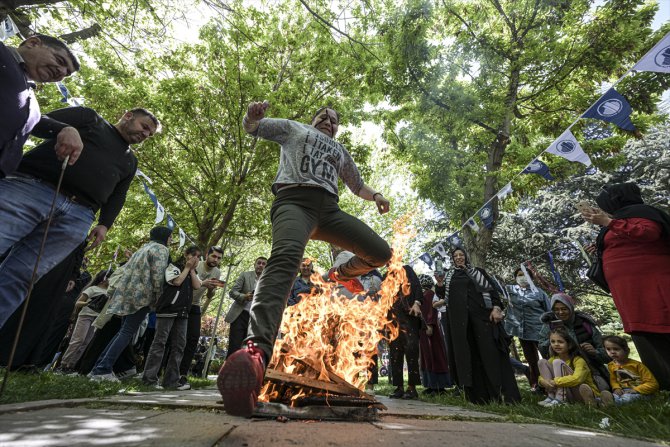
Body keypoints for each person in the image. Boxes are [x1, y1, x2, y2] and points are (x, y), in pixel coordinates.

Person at [217, 101, 392, 417]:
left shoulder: (339, 150)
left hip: (330, 211)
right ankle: (255, 354)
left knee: (380, 253)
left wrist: (376, 195)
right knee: (284, 257)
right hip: (293, 202)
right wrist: (252, 116)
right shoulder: (292, 128)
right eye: (323, 116)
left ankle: (340, 274)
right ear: (312, 119)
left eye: (334, 119)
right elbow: (253, 128)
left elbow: (357, 185)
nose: (328, 121)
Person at [0, 106, 160, 330]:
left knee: (23, 275)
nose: (145, 135)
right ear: (128, 115)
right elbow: (35, 120)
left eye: (150, 135)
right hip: (32, 189)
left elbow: (118, 195)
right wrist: (64, 128)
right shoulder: (91, 118)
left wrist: (105, 224)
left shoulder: (130, 162)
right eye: (144, 127)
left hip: (78, 217)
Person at [581, 182, 670, 390]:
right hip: (629, 292)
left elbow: (648, 233)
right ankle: (661, 382)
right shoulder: (617, 220)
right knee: (647, 335)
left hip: (651, 285)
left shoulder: (643, 212)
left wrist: (608, 222)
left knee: (662, 327)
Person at [88, 226, 172, 382]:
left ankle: (97, 369)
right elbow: (158, 275)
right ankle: (102, 370)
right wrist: (159, 297)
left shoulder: (143, 248)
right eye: (170, 236)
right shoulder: (161, 249)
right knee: (127, 333)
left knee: (123, 332)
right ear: (165, 236)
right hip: (142, 297)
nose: (171, 240)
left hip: (126, 295)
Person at [441, 248, 520, 404]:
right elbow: (447, 299)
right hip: (460, 324)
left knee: (491, 355)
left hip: (483, 319)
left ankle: (503, 395)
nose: (459, 258)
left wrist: (496, 308)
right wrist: (439, 284)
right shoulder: (450, 276)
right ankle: (478, 397)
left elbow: (492, 292)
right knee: (469, 357)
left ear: (466, 257)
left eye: (461, 255)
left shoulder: (478, 272)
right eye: (455, 256)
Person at [1, 34, 83, 178]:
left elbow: (33, 124)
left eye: (67, 73)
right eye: (60, 60)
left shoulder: (32, 103)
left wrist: (66, 129)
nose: (62, 72)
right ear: (33, 43)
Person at [143, 245, 201, 389]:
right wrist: (186, 268)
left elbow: (197, 285)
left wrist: (192, 270)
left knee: (179, 346)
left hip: (183, 313)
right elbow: (176, 282)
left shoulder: (193, 271)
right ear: (186, 254)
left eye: (199, 257)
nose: (196, 259)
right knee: (160, 343)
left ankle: (171, 381)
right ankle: (149, 379)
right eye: (194, 255)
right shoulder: (173, 266)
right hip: (168, 309)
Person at [538, 293, 610, 390]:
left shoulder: (585, 324)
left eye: (564, 309)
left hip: (590, 369)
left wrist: (595, 352)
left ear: (571, 308)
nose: (560, 312)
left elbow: (608, 356)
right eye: (556, 309)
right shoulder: (549, 326)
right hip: (561, 368)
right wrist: (554, 339)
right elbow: (542, 349)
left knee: (603, 388)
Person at [178, 245, 223, 389]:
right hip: (182, 302)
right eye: (214, 256)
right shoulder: (197, 264)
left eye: (219, 258)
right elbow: (188, 283)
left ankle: (182, 374)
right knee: (177, 339)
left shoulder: (217, 272)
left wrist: (211, 290)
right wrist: (204, 283)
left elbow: (209, 295)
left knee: (193, 338)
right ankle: (165, 371)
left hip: (195, 305)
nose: (215, 260)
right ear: (207, 255)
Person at [504, 268, 550, 392]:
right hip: (522, 332)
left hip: (539, 331)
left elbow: (549, 311)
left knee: (547, 358)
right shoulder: (511, 291)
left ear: (531, 278)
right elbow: (495, 286)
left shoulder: (539, 293)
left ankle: (553, 384)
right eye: (519, 275)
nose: (522, 277)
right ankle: (536, 385)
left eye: (525, 275)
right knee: (531, 360)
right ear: (515, 278)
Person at [57, 269, 111, 373]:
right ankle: (63, 365)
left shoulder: (109, 292)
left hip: (97, 319)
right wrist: (89, 303)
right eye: (110, 277)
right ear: (104, 278)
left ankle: (71, 366)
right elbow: (77, 303)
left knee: (86, 343)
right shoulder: (92, 289)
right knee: (78, 340)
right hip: (85, 316)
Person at [537, 326, 602, 406]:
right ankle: (551, 397)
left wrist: (555, 382)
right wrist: (543, 382)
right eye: (553, 342)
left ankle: (560, 399)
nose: (556, 344)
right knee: (542, 362)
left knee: (557, 363)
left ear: (570, 344)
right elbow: (542, 376)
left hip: (582, 393)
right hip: (568, 394)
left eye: (560, 342)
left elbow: (577, 379)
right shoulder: (553, 359)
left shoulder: (578, 360)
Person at [387, 265, 423, 399]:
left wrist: (417, 303)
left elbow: (418, 288)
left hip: (409, 318)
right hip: (392, 321)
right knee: (395, 353)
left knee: (411, 351)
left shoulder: (407, 269)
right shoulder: (386, 276)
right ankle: (399, 387)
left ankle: (412, 388)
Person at [224, 257, 267, 358]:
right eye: (259, 263)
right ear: (255, 264)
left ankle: (242, 372)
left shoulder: (268, 281)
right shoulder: (245, 275)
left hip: (255, 319)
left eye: (264, 264)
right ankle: (228, 372)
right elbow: (232, 292)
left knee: (248, 348)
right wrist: (244, 296)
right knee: (234, 346)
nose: (261, 265)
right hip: (240, 315)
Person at [417, 274, 451, 395]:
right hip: (423, 329)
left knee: (434, 354)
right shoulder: (422, 296)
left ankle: (439, 386)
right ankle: (431, 385)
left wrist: (429, 325)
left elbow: (431, 311)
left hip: (430, 329)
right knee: (427, 357)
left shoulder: (429, 295)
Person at [601, 335, 658, 406]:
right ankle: (596, 401)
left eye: (616, 349)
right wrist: (616, 388)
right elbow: (613, 380)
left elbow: (653, 384)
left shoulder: (637, 365)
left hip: (642, 392)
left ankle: (611, 403)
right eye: (608, 349)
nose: (612, 352)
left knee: (627, 398)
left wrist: (635, 390)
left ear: (626, 350)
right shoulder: (611, 365)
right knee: (615, 396)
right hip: (624, 391)